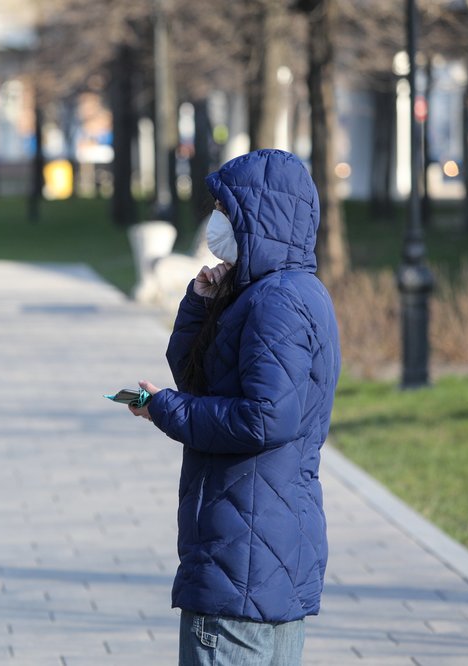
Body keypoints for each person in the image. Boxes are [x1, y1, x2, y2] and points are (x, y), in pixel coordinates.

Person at [128, 149, 341, 666]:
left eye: (227, 212)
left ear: (259, 218)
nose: (218, 223)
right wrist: (201, 301)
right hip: (265, 545)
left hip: (241, 551)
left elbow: (263, 417)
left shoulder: (275, 303)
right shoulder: (284, 291)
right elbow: (201, 377)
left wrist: (168, 411)